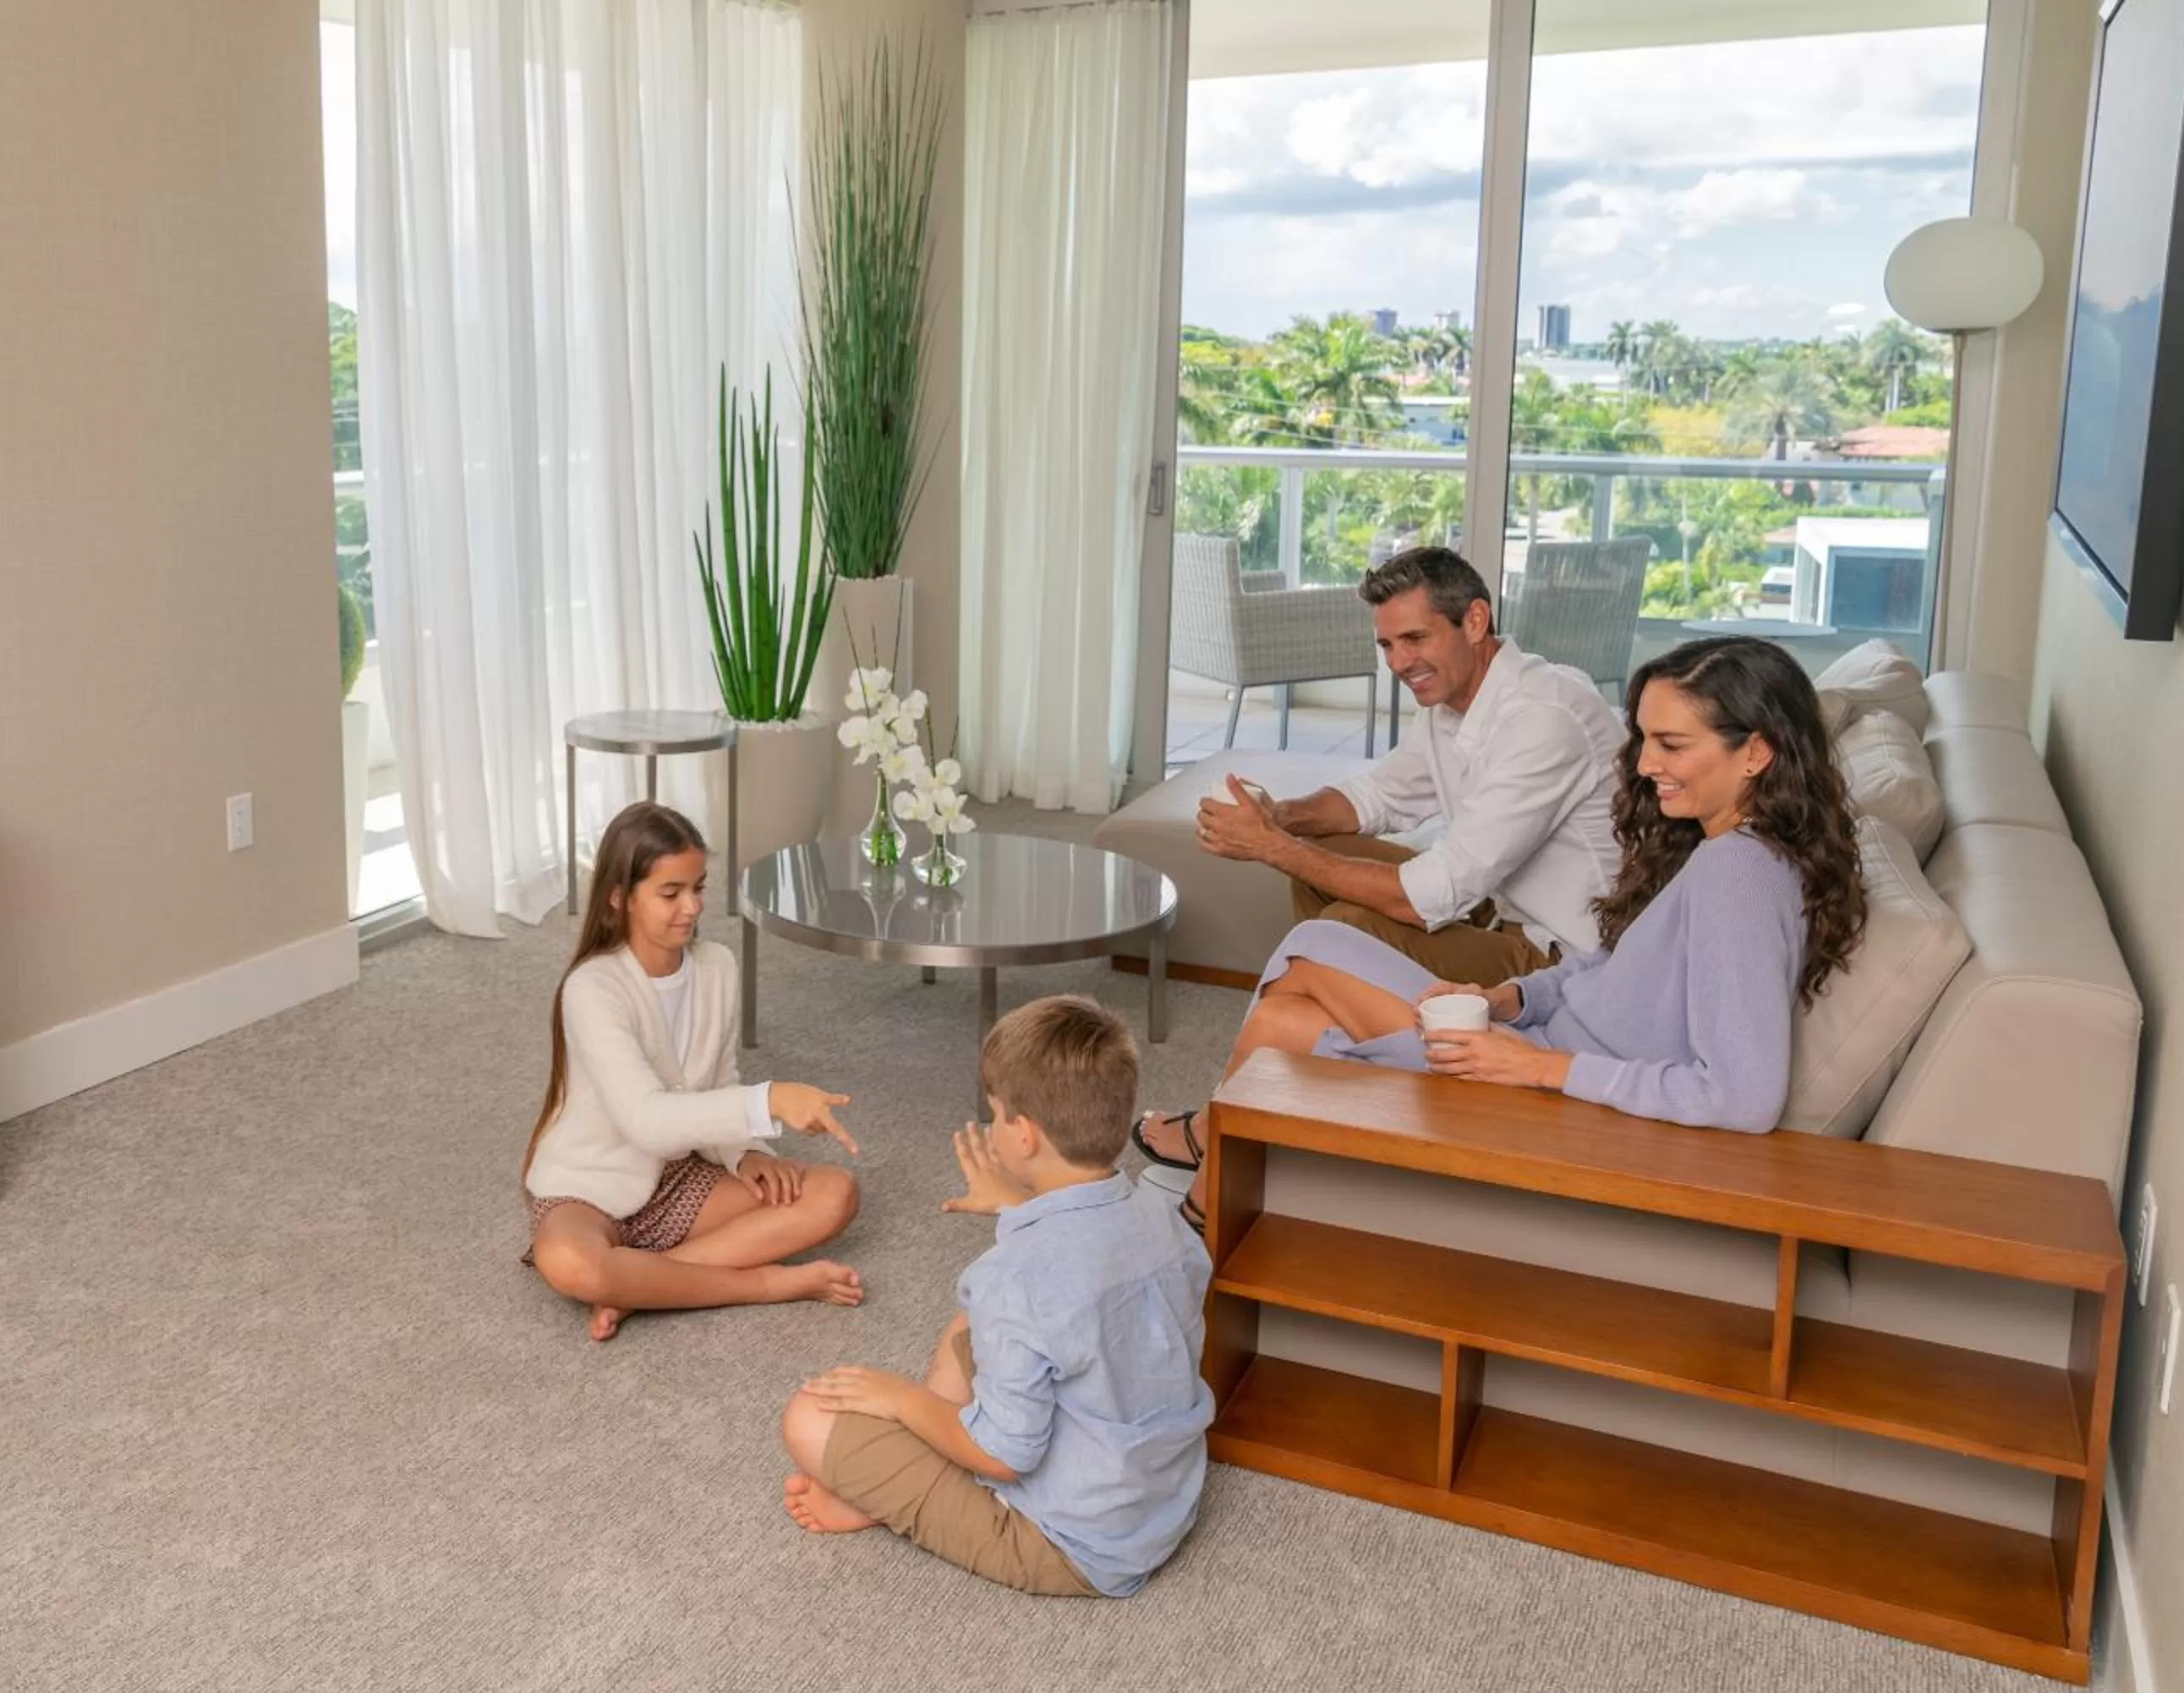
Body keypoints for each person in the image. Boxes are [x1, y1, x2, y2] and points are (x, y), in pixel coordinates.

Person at [1144, 638, 1865, 1227]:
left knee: (1301, 972)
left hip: (1554, 1092)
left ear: (1757, 752)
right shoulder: (1715, 845)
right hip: (1539, 1042)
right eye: (1645, 738)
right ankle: (1207, 1211)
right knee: (1290, 1001)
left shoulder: (1740, 875)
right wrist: (1508, 999)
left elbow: (1743, 1096)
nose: (1645, 767)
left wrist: (1537, 1067)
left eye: (1671, 745)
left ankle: (1204, 1198)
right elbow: (1611, 966)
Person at [778, 996, 1212, 1599]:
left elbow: (1005, 1456)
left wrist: (901, 1400)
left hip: (1070, 1546)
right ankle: (909, 1473)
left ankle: (889, 1493)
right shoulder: (1163, 1214)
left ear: (1025, 1136)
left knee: (808, 1417)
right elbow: (1094, 1287)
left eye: (997, 1114)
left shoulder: (1013, 1278)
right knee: (968, 1328)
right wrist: (1023, 1205)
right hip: (1161, 1500)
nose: (991, 1126)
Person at [1193, 545, 1624, 980]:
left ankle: (1330, 999)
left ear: (1475, 621)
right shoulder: (1453, 700)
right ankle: (1339, 1002)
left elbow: (1435, 894)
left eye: (1416, 639)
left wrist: (1272, 845)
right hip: (1497, 906)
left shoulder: (1543, 719)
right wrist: (1280, 816)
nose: (1399, 663)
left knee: (1344, 931)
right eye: (1387, 644)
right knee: (1320, 865)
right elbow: (1379, 796)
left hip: (1564, 958)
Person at [523, 802, 865, 1340]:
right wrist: (770, 1100)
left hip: (680, 1178)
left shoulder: (718, 967)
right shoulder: (591, 989)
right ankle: (764, 1285)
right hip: (591, 1185)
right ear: (620, 897)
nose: (691, 907)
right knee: (573, 1264)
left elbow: (719, 1082)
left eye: (698, 888)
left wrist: (743, 1151)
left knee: (834, 1192)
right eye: (670, 893)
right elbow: (645, 1121)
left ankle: (643, 1286)